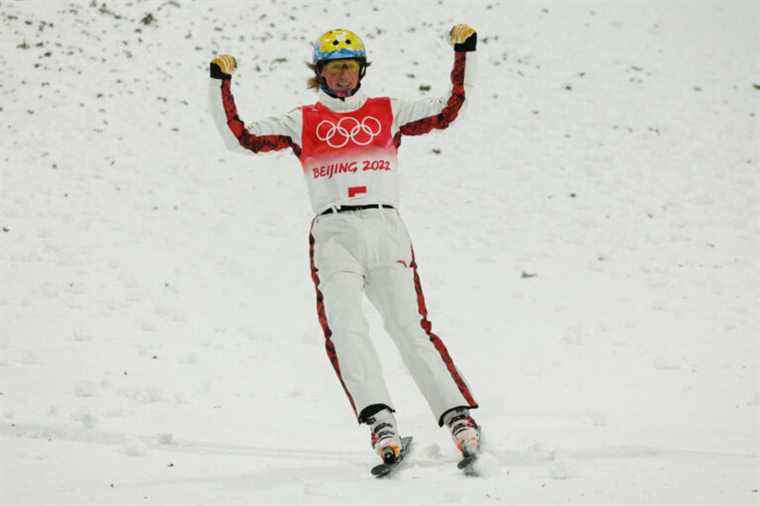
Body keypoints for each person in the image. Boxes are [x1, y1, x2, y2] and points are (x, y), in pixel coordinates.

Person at [209, 25, 481, 465]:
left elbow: (451, 109)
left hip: (384, 225)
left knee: (409, 327)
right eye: (333, 69)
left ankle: (458, 417)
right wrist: (219, 83)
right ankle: (381, 423)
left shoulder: (388, 110)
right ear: (319, 73)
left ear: (361, 70)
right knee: (346, 328)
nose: (341, 76)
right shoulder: (301, 119)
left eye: (349, 68)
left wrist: (464, 51)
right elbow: (240, 139)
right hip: (334, 235)